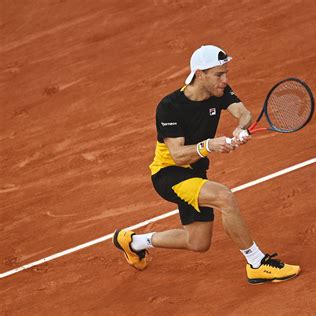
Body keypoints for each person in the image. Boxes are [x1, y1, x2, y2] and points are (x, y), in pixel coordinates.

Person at [113, 45, 300, 284]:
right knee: (225, 198)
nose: (225, 80)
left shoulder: (218, 92)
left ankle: (133, 241)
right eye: (219, 75)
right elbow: (178, 155)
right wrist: (209, 145)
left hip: (196, 174)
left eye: (226, 73)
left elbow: (244, 114)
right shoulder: (169, 107)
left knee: (198, 242)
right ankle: (257, 263)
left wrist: (240, 129)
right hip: (169, 174)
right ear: (200, 74)